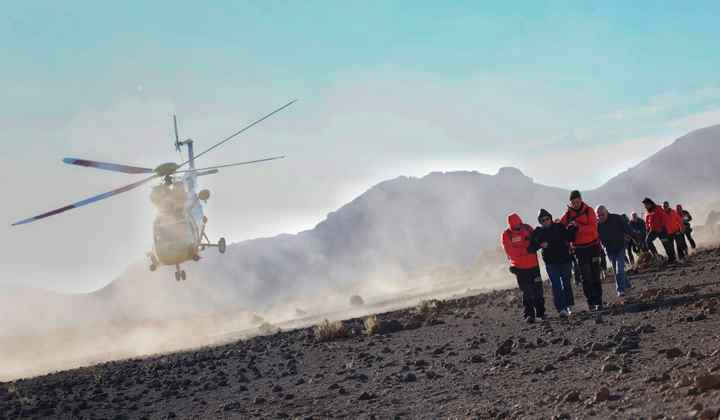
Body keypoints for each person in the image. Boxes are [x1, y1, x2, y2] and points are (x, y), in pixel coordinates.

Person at [528, 209, 576, 317]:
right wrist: (540, 245)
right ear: (540, 222)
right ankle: (561, 309)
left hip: (565, 261)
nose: (545, 221)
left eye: (547, 219)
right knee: (556, 285)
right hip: (551, 264)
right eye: (542, 220)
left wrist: (573, 227)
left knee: (566, 284)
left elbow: (570, 237)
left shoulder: (559, 226)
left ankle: (569, 306)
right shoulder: (538, 232)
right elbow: (530, 248)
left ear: (550, 218)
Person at [561, 190, 603, 311]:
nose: (575, 204)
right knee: (586, 277)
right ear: (570, 202)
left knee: (595, 275)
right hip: (579, 250)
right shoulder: (568, 215)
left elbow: (593, 228)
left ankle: (598, 302)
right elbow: (561, 228)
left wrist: (578, 227)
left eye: (577, 201)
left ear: (581, 199)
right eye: (573, 202)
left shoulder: (589, 210)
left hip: (593, 246)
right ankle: (591, 302)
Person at [501, 213, 546, 323]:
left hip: (533, 266)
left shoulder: (527, 228)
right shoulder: (507, 235)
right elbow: (510, 252)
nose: (518, 227)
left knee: (538, 290)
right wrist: (527, 250)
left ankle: (541, 313)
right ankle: (529, 315)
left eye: (518, 224)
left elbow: (535, 239)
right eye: (516, 225)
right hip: (520, 269)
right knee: (527, 292)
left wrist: (538, 243)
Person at [597, 206, 634, 299]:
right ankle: (628, 285)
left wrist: (636, 237)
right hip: (609, 250)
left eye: (602, 214)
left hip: (620, 247)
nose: (601, 217)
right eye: (599, 215)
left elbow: (627, 228)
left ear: (607, 212)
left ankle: (620, 289)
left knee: (619, 269)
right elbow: (596, 238)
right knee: (617, 269)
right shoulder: (597, 225)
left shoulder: (616, 218)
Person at [642, 198, 675, 263]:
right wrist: (647, 229)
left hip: (662, 230)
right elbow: (647, 221)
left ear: (650, 203)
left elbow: (664, 218)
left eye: (646, 204)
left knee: (666, 244)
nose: (645, 206)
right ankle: (656, 255)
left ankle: (672, 258)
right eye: (644, 205)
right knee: (647, 241)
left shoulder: (658, 208)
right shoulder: (648, 211)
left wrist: (661, 227)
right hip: (653, 230)